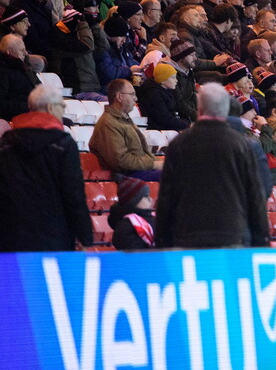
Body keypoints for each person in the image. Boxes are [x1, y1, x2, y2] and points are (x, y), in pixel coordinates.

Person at [155, 83, 269, 247]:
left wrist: (162, 240)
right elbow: (255, 195)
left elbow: (167, 195)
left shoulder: (179, 144)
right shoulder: (241, 144)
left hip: (188, 234)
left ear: (200, 109)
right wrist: (261, 240)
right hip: (231, 233)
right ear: (225, 110)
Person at [0, 85, 92, 250]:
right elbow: (73, 194)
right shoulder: (63, 144)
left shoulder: (6, 143)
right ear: (50, 108)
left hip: (11, 235)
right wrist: (85, 237)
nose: (63, 110)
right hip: (53, 236)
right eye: (61, 105)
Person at [90, 79, 164, 181]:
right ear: (120, 97)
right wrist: (154, 164)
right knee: (173, 177)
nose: (136, 98)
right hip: (124, 176)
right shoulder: (108, 123)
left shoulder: (123, 119)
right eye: (132, 94)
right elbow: (121, 161)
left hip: (138, 171)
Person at [108, 177, 156, 249]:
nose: (150, 199)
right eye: (146, 196)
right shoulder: (126, 228)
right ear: (134, 201)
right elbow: (137, 256)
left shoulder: (154, 218)